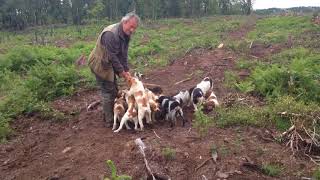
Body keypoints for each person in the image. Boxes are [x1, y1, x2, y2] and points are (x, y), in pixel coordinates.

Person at [88, 12, 140, 127]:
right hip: (100, 64)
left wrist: (126, 70)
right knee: (108, 91)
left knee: (114, 88)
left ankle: (112, 112)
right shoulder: (110, 34)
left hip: (109, 63)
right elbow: (113, 56)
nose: (132, 30)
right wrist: (122, 72)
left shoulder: (126, 34)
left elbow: (123, 54)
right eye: (131, 27)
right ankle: (109, 120)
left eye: (134, 28)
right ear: (124, 22)